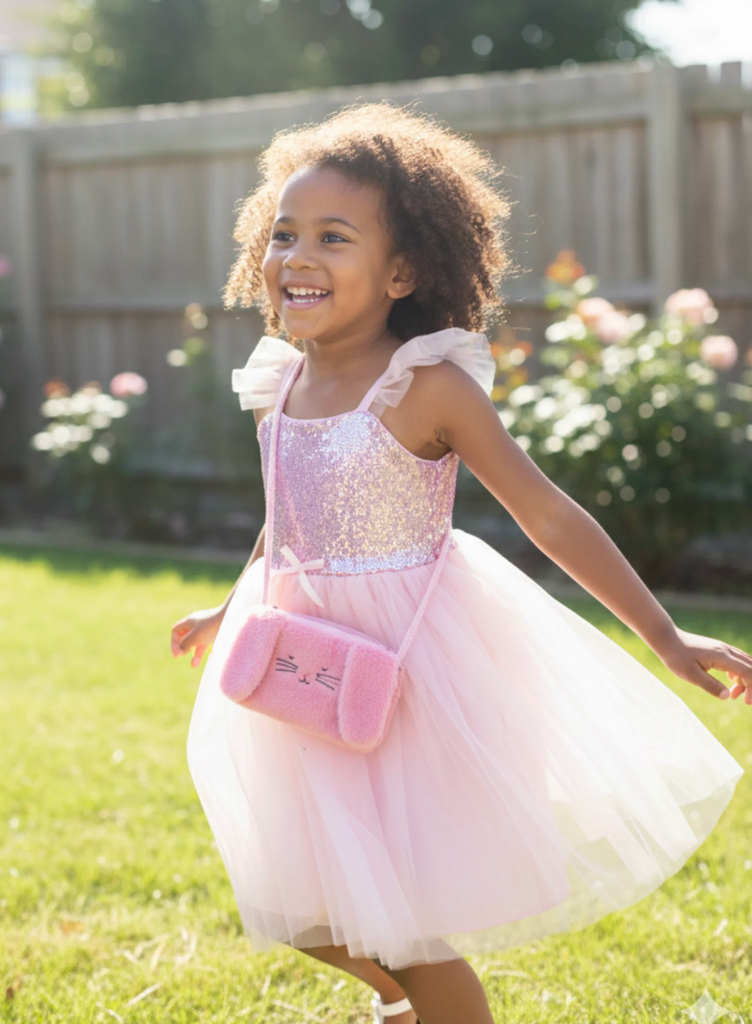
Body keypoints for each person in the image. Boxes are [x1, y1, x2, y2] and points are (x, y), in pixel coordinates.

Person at [171, 102, 751, 1024]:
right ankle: (406, 1010)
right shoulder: (278, 380)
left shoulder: (426, 383)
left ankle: (436, 1009)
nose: (299, 256)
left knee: (396, 923)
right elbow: (285, 514)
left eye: (333, 236)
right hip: (298, 658)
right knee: (298, 905)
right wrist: (228, 605)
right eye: (284, 234)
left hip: (408, 661)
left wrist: (664, 634)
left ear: (401, 270)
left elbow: (549, 516)